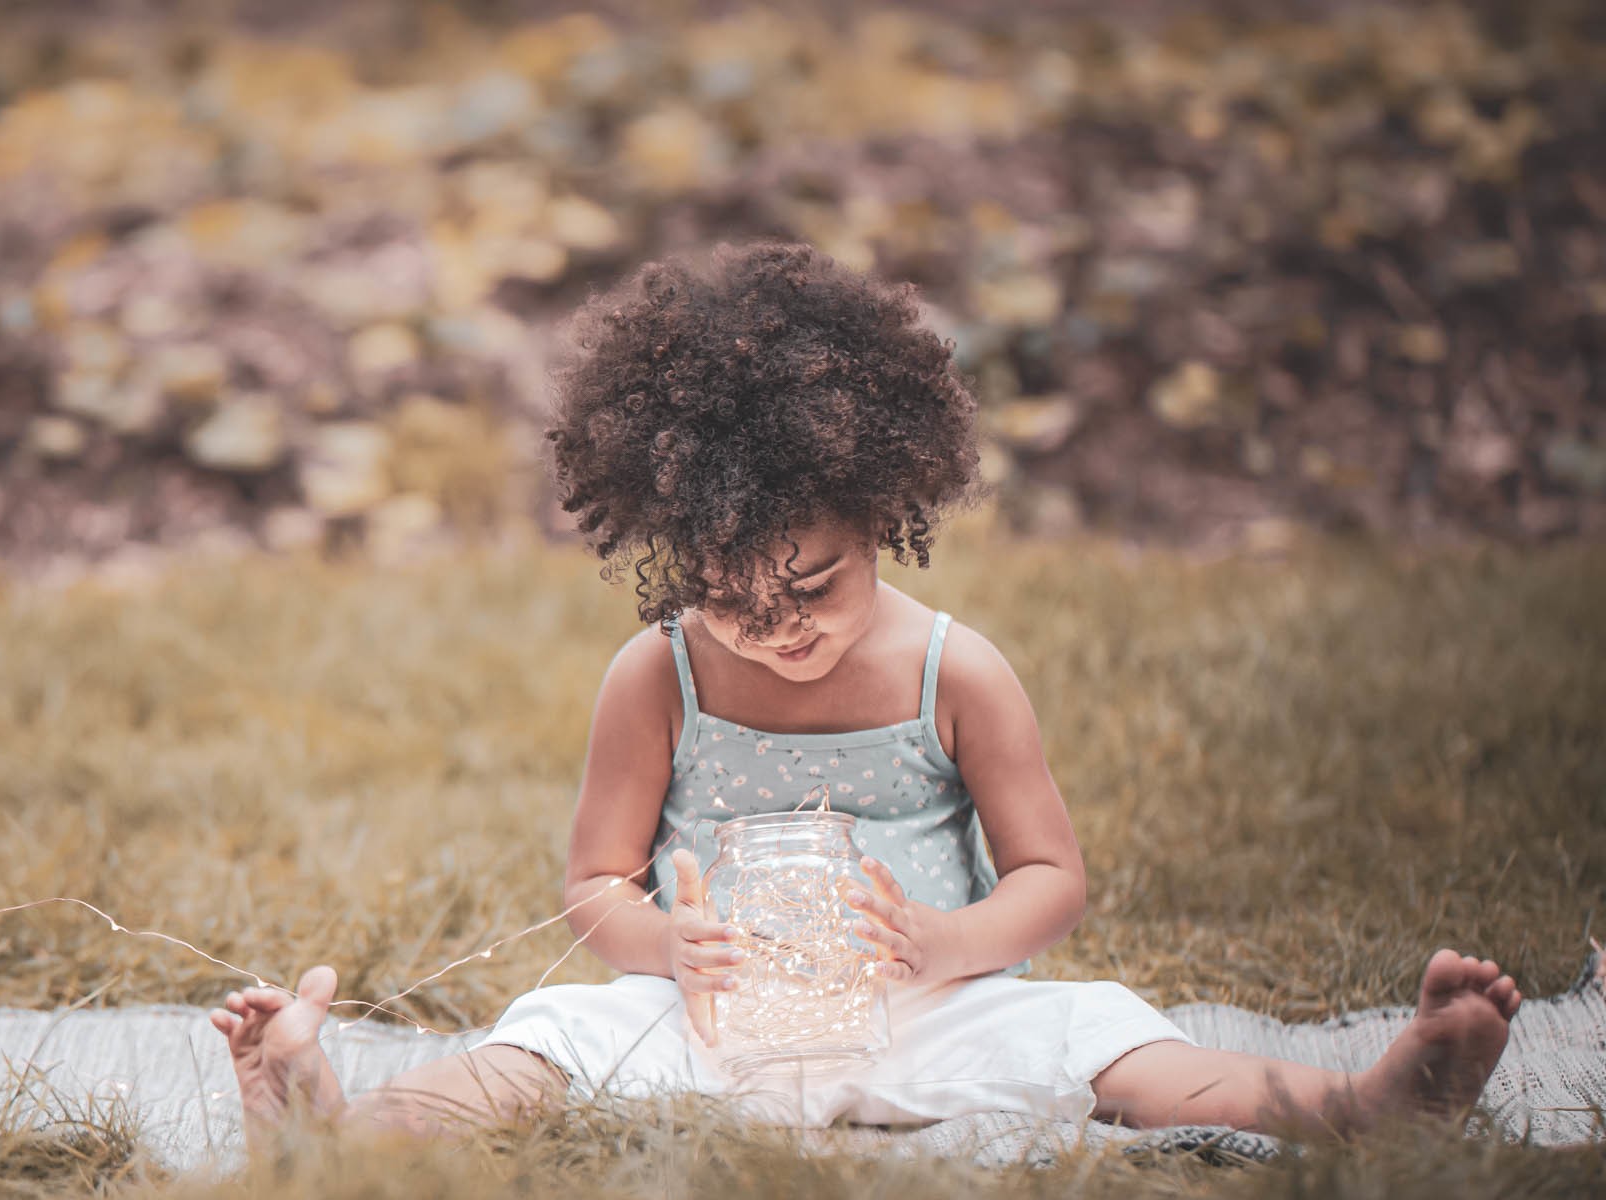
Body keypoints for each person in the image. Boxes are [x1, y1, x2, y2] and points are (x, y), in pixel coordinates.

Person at [210, 240, 1520, 1152]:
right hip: (709, 1017)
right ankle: (327, 1117)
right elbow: (595, 888)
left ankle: (1364, 1103)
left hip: (931, 1007)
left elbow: (1050, 878)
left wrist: (950, 947)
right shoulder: (656, 676)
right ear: (677, 562)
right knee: (544, 1046)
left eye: (814, 584)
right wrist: (667, 947)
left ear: (885, 511)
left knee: (1111, 1049)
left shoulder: (958, 673)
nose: (776, 632)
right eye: (732, 598)